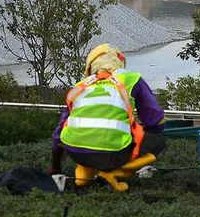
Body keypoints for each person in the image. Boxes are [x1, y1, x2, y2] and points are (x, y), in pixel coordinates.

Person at [48, 44, 167, 191]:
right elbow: (156, 121)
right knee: (158, 140)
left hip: (76, 153)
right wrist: (137, 132)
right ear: (119, 62)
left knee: (84, 137)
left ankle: (83, 176)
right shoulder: (131, 79)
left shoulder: (79, 87)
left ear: (90, 67)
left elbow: (58, 135)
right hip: (112, 155)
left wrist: (55, 167)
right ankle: (113, 174)